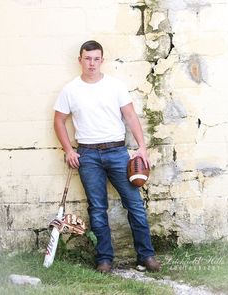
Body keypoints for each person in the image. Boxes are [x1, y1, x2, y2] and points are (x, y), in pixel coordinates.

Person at [53, 40, 161, 273]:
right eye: (87, 58)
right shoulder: (70, 89)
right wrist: (69, 150)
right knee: (97, 209)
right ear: (80, 60)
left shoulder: (115, 86)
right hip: (88, 155)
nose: (91, 63)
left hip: (117, 152)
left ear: (102, 60)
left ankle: (146, 256)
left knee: (134, 205)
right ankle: (104, 259)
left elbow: (131, 117)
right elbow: (59, 121)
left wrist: (142, 147)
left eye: (96, 58)